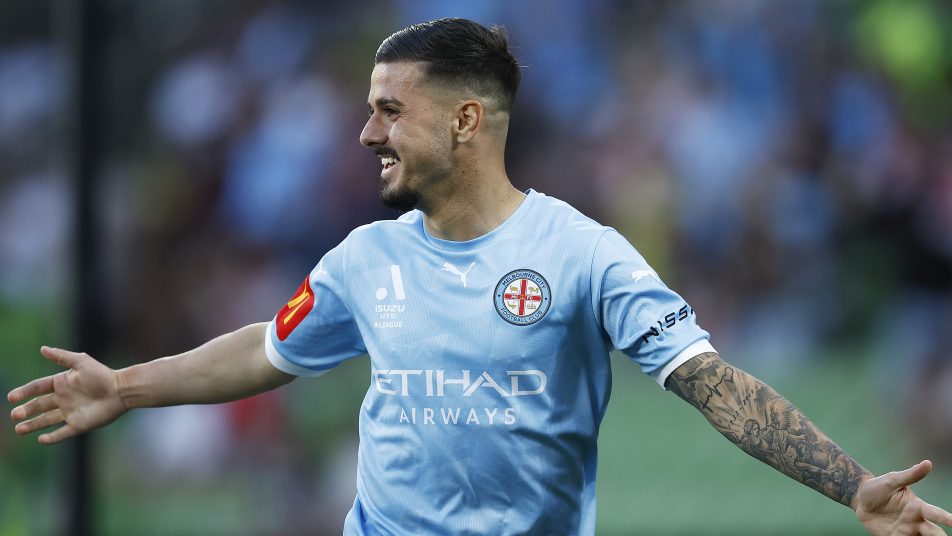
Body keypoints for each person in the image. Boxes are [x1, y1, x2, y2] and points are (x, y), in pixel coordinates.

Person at [7, 18, 952, 536]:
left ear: (465, 121)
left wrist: (851, 486)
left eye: (390, 110)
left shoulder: (584, 253)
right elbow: (269, 349)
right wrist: (125, 387)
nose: (367, 133)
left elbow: (712, 385)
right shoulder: (365, 258)